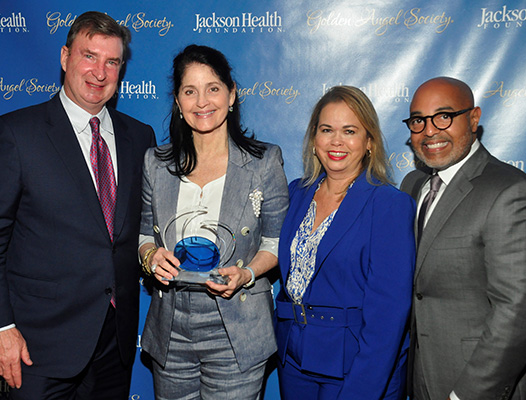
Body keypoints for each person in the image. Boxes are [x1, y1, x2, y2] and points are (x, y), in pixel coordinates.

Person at [0, 11, 155, 399]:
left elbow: (138, 230)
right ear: (65, 57)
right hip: (38, 350)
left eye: (112, 62)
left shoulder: (140, 137)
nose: (99, 72)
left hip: (113, 347)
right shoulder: (17, 134)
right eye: (89, 56)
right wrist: (2, 329)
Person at [138, 44, 289, 399]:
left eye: (213, 88)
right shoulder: (155, 164)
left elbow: (277, 242)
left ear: (232, 94)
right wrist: (149, 257)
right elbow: (144, 233)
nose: (202, 101)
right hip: (170, 327)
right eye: (190, 91)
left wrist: (247, 273)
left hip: (237, 330)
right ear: (177, 101)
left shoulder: (264, 161)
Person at [274, 86, 415, 399]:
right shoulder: (297, 192)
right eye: (327, 130)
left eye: (349, 131)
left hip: (355, 367)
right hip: (293, 362)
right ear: (314, 140)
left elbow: (388, 317)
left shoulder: (388, 204)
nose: (336, 141)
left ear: (369, 142)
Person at [400, 77, 526, 400]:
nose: (429, 131)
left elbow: (520, 312)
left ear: (473, 119)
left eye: (444, 116)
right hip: (418, 378)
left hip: (476, 385)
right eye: (418, 120)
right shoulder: (411, 184)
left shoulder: (510, 191)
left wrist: (467, 394)